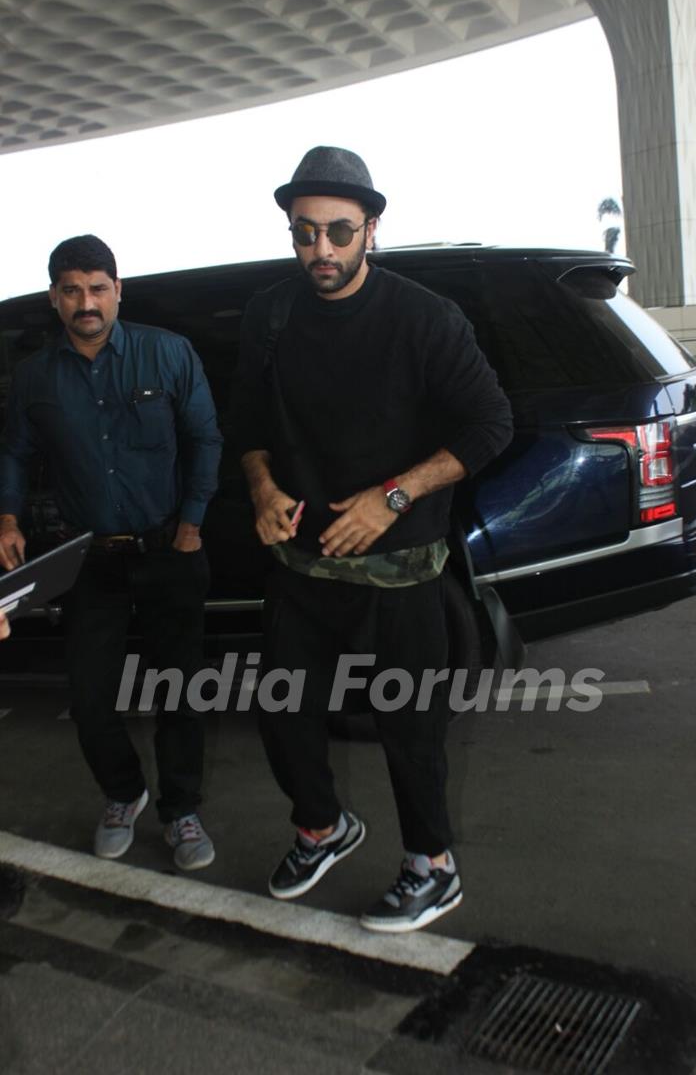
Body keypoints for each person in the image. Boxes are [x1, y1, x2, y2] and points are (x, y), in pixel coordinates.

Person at [234, 146, 514, 932]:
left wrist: (393, 497)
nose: (320, 250)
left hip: (401, 569)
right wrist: (261, 487)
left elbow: (492, 423)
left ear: (372, 229)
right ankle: (322, 828)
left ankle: (434, 868)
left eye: (338, 232)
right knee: (282, 711)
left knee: (410, 726)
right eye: (304, 234)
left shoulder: (424, 318)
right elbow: (248, 426)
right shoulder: (271, 316)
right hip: (301, 562)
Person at [0, 235, 222, 870]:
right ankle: (124, 791)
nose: (86, 302)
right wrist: (7, 515)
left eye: (98, 288)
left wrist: (192, 525)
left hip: (168, 548)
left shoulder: (167, 353)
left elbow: (204, 439)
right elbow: (15, 451)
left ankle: (181, 810)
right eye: (72, 290)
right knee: (90, 694)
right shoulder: (37, 377)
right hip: (88, 558)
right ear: (54, 298)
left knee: (179, 689)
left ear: (118, 290)